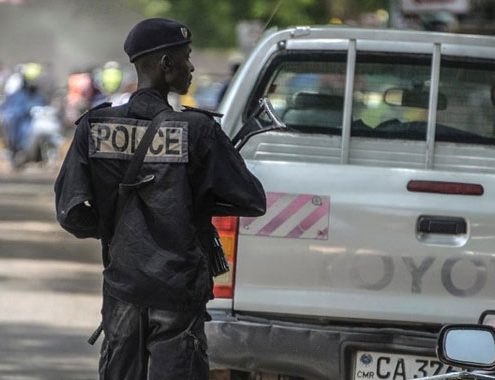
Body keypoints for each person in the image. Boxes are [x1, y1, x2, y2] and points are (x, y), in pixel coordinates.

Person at [54, 18, 266, 380]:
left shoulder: (95, 126)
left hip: (123, 287)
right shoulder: (198, 131)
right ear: (166, 65)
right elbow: (252, 200)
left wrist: (116, 228)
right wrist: (195, 201)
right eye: (186, 57)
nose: (192, 66)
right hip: (177, 290)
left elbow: (71, 213)